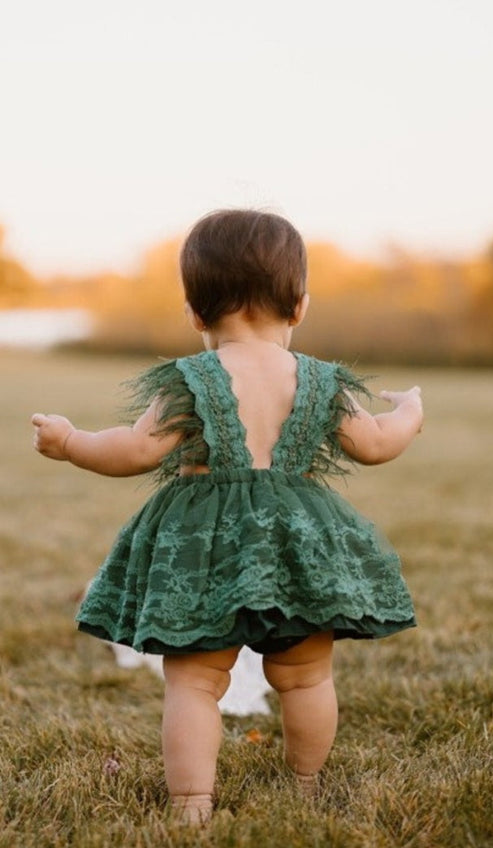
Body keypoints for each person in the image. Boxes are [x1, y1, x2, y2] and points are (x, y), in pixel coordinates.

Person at [32, 209, 423, 825]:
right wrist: (411, 411)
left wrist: (71, 440)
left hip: (203, 549)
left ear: (194, 312)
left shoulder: (190, 381)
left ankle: (190, 804)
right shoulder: (319, 381)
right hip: (297, 544)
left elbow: (136, 451)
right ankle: (306, 784)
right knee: (305, 677)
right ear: (299, 305)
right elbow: (376, 443)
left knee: (193, 683)